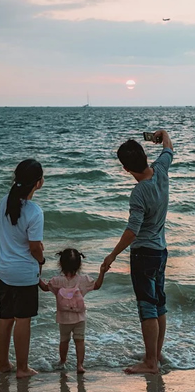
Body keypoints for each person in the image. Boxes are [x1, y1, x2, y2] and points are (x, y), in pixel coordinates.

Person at [102, 129, 173, 374]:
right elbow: (168, 147)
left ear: (125, 169)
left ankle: (150, 362)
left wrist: (112, 255)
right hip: (161, 251)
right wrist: (160, 134)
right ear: (144, 155)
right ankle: (156, 354)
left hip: (143, 253)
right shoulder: (161, 170)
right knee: (159, 304)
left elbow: (133, 230)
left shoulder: (139, 192)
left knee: (147, 307)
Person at [0, 159, 45, 378]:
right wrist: (42, 261)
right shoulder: (34, 211)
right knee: (23, 320)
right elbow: (35, 247)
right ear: (38, 183)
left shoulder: (4, 202)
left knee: (5, 318)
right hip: (24, 273)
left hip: (3, 270)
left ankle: (4, 364)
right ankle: (23, 369)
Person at [39, 248, 106, 373]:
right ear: (79, 264)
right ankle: (80, 365)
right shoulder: (83, 280)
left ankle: (62, 361)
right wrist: (102, 272)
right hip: (79, 318)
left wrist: (37, 272)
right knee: (79, 340)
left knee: (64, 340)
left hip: (64, 319)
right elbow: (97, 285)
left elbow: (44, 287)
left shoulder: (57, 281)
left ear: (61, 264)